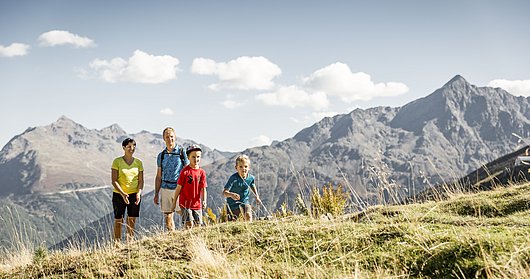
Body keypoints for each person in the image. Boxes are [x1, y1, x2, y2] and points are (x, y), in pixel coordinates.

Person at [154, 127, 189, 231]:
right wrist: (156, 193)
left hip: (178, 188)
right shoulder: (161, 155)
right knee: (168, 216)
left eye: (172, 136)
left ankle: (188, 235)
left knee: (183, 213)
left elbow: (187, 172)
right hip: (165, 188)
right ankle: (172, 237)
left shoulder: (182, 153)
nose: (170, 139)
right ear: (164, 139)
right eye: (167, 137)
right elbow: (159, 175)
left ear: (175, 137)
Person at [111, 138, 144, 242]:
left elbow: (141, 181)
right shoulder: (117, 162)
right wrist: (123, 193)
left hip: (134, 194)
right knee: (118, 220)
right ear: (124, 148)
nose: (132, 148)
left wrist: (139, 193)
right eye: (129, 146)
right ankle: (117, 243)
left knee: (132, 219)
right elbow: (114, 180)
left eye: (133, 146)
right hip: (119, 195)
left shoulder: (138, 163)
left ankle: (130, 242)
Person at [170, 144, 208, 229]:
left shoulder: (202, 172)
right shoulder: (185, 172)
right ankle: (187, 240)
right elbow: (178, 189)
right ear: (188, 157)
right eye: (193, 157)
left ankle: (196, 241)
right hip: (185, 203)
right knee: (189, 224)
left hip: (197, 204)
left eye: (198, 157)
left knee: (198, 225)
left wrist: (204, 200)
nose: (196, 159)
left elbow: (203, 188)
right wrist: (174, 203)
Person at [223, 155, 262, 221]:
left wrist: (257, 196)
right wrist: (231, 195)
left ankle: (249, 228)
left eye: (246, 166)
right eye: (240, 167)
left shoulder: (251, 178)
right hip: (232, 204)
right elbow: (224, 193)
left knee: (248, 215)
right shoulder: (233, 178)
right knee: (232, 222)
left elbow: (252, 185)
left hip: (245, 201)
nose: (243, 169)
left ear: (249, 167)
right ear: (236, 168)